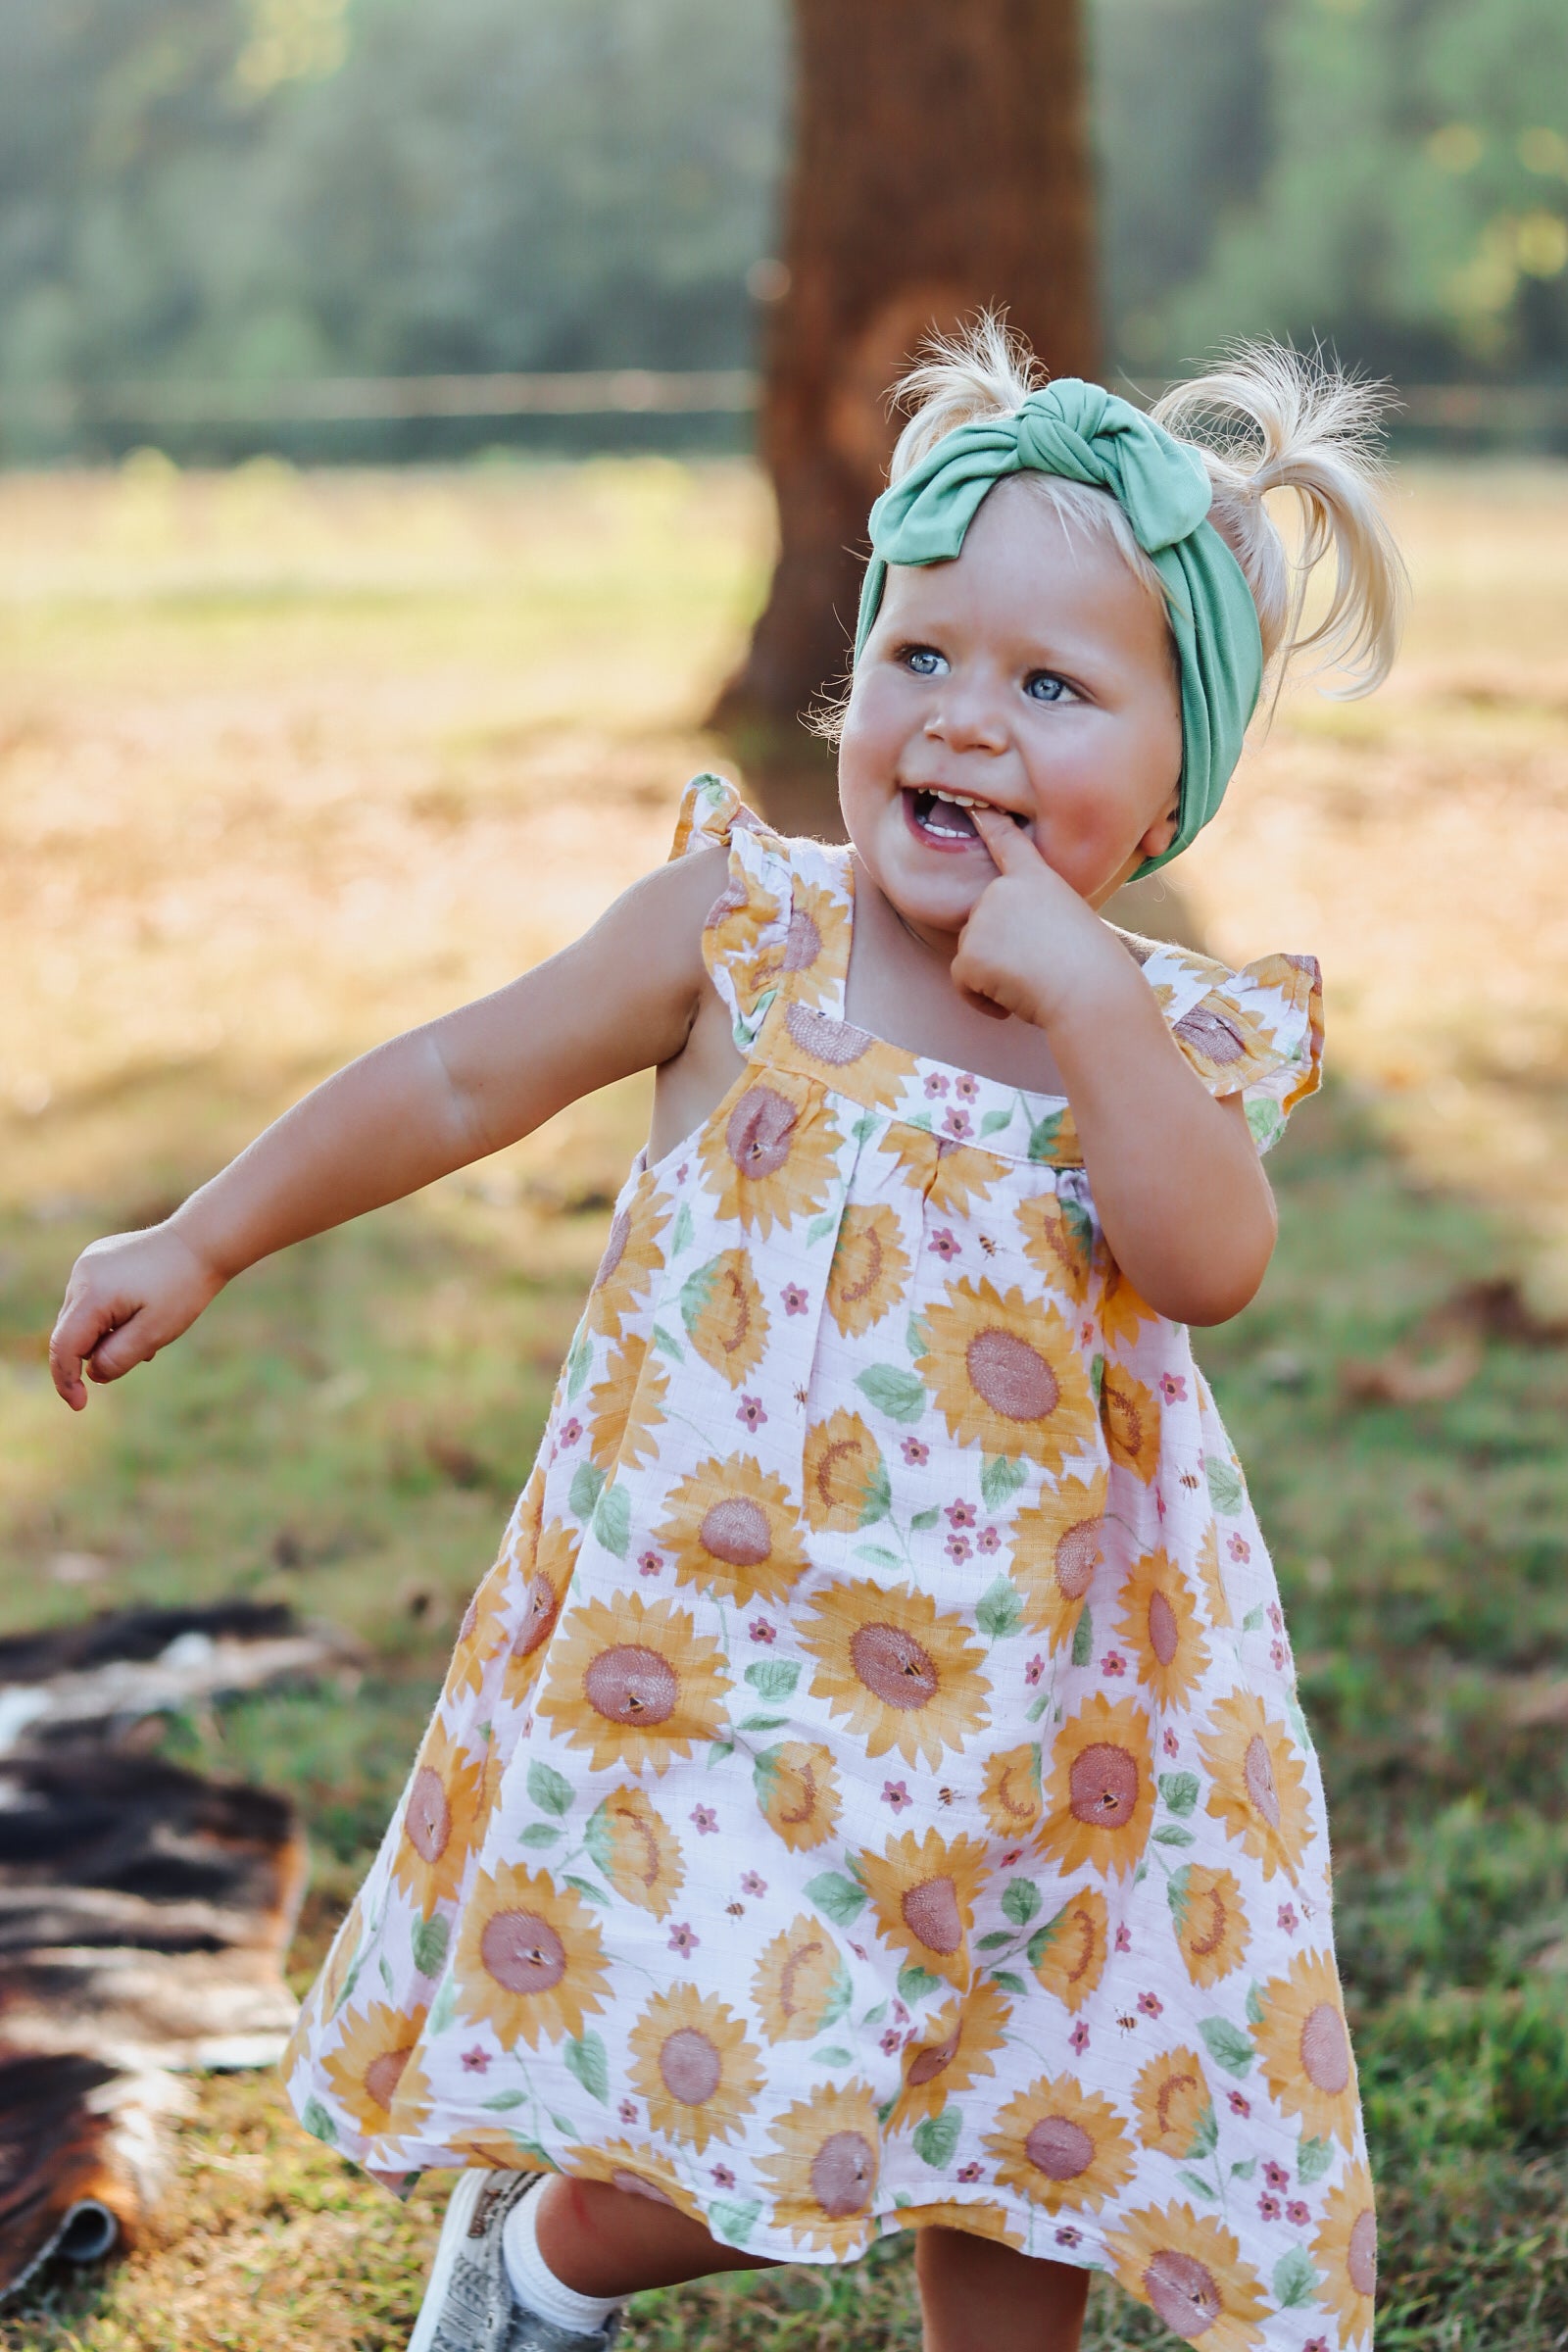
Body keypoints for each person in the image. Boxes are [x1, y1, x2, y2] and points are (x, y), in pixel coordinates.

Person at [49, 318, 1403, 2352]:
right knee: (754, 2104)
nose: (963, 720)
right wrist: (206, 1231)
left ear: (1166, 788)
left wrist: (1091, 1006)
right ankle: (540, 2265)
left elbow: (1208, 1263)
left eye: (1050, 687)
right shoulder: (743, 933)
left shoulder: (1147, 1036)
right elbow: (455, 1077)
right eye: (921, 656)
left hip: (1054, 1702)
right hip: (748, 1668)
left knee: (1029, 2111)